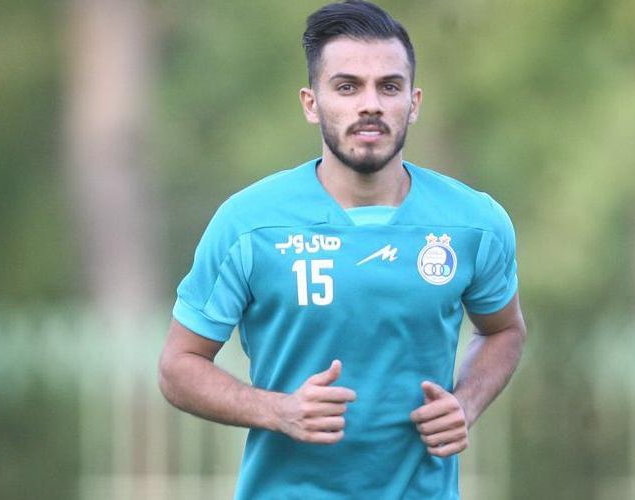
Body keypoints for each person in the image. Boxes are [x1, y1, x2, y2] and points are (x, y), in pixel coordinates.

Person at [158, 1, 527, 498]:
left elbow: (504, 330)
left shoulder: (474, 223)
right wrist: (278, 410)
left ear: (413, 103)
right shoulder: (248, 224)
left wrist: (467, 402)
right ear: (312, 103)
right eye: (347, 87)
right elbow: (178, 366)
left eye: (389, 87)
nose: (370, 104)